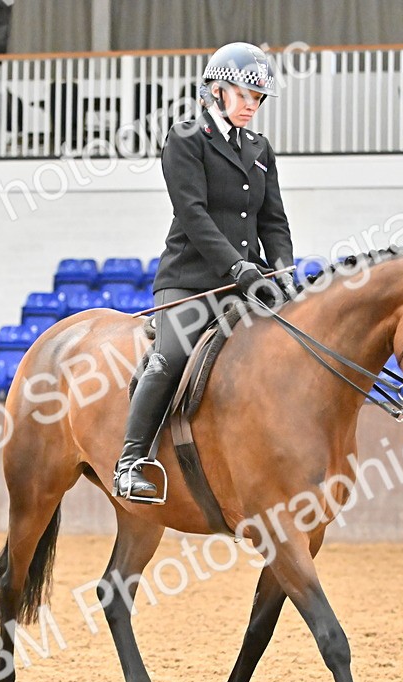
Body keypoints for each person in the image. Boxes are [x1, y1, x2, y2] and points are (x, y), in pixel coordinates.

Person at [112, 41, 298, 502]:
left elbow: (273, 220)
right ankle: (131, 461)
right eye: (244, 96)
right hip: (191, 283)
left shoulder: (258, 148)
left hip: (247, 283)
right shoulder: (187, 136)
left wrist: (284, 273)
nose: (252, 106)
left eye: (258, 99)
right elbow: (193, 214)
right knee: (169, 359)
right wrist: (236, 266)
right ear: (216, 91)